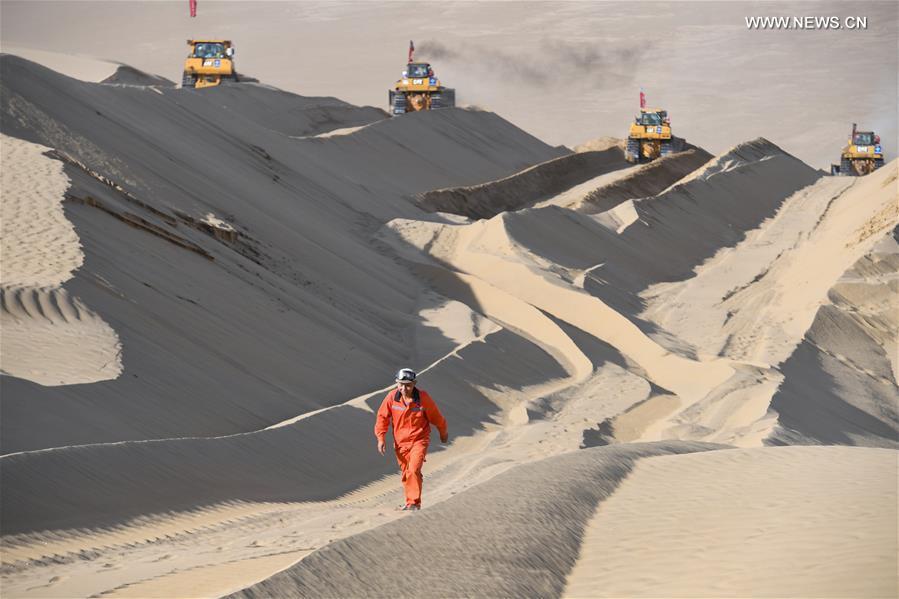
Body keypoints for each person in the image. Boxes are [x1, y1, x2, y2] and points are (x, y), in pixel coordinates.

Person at [374, 368, 448, 511]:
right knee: (407, 473)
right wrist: (381, 438)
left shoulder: (423, 398)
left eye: (408, 384)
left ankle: (414, 503)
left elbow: (437, 417)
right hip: (400, 443)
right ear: (396, 383)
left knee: (413, 470)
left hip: (419, 440)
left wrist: (443, 433)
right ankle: (410, 502)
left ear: (414, 383)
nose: (403, 388)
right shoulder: (391, 398)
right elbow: (382, 417)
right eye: (400, 384)